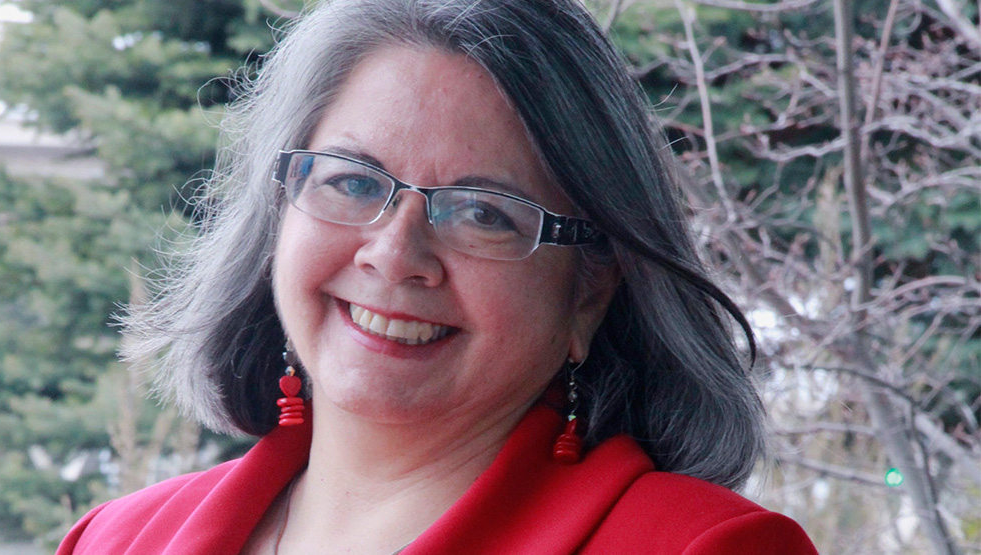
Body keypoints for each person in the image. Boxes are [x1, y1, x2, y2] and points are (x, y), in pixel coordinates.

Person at [57, 0, 818, 553]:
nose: (394, 254)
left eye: (483, 212)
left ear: (589, 289)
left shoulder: (700, 547)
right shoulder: (115, 540)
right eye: (353, 182)